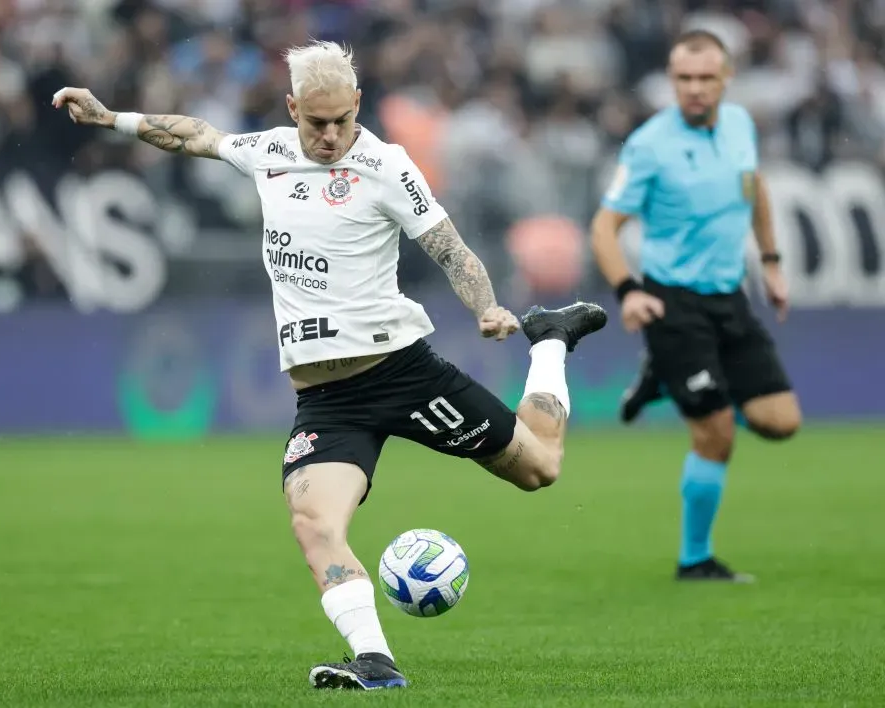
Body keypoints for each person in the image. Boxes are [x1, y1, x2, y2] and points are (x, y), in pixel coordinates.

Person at [54, 40, 607, 690]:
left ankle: (549, 341)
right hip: (327, 403)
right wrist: (110, 118)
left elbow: (451, 250)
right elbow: (197, 134)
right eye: (316, 122)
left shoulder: (386, 166)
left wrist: (487, 308)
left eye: (342, 120)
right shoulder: (269, 153)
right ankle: (376, 663)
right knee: (313, 524)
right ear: (293, 109)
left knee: (540, 468)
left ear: (358, 105)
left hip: (402, 374)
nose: (329, 135)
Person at [589, 30, 802, 583]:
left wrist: (772, 262)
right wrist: (629, 292)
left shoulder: (740, 125)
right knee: (716, 434)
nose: (695, 89)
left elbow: (755, 189)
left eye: (706, 78)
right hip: (673, 304)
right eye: (684, 78)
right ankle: (695, 560)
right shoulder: (648, 145)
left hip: (730, 298)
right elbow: (604, 228)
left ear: (726, 79)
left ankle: (666, 376)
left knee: (781, 422)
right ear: (672, 80)